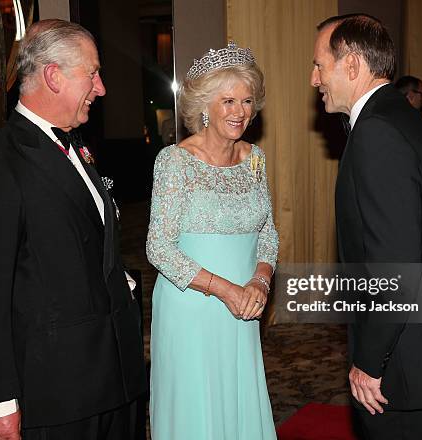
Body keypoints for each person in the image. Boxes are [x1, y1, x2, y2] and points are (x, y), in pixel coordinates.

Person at [0, 19, 146, 440]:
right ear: (54, 76)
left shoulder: (77, 146)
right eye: (92, 74)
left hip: (114, 377)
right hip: (58, 394)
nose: (101, 88)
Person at [311, 14, 422, 439]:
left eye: (319, 64)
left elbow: (396, 266)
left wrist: (371, 360)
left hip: (405, 359)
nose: (314, 78)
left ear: (351, 65)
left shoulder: (377, 132)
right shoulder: (407, 120)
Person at [146, 42, 278, 440]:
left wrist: (260, 281)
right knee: (197, 409)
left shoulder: (255, 158)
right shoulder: (174, 161)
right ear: (205, 106)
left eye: (247, 100)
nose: (239, 111)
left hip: (244, 306)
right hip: (193, 306)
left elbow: (268, 232)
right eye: (228, 100)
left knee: (238, 403)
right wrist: (224, 290)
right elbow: (159, 247)